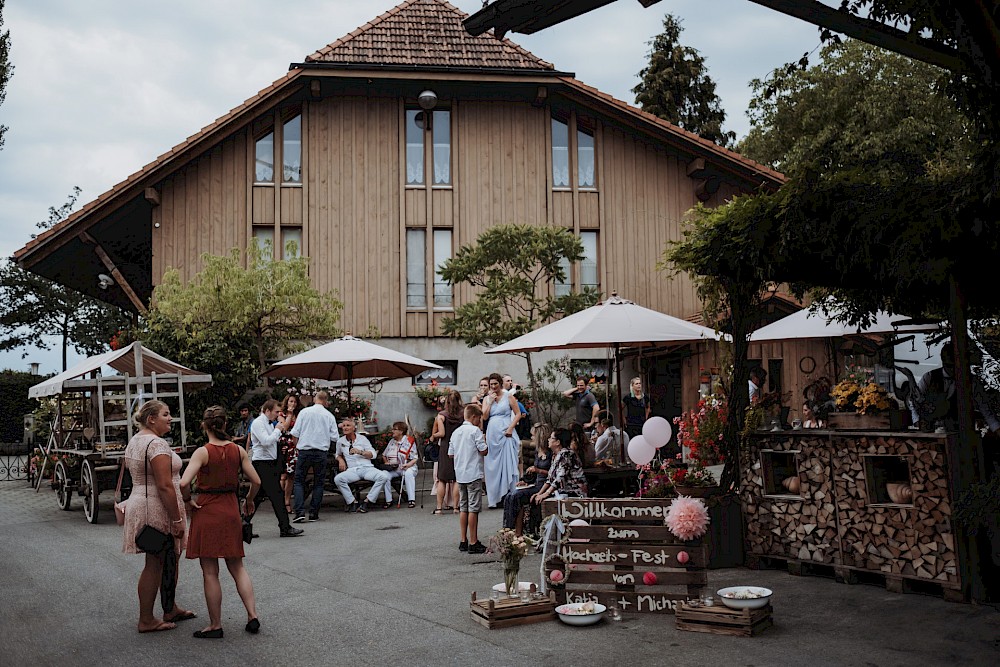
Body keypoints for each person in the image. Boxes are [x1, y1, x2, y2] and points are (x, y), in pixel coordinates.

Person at [180, 406, 262, 639]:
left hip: (207, 509)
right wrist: (248, 500)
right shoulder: (238, 450)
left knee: (210, 572)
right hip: (230, 509)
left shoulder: (202, 452)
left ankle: (215, 624)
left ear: (205, 425)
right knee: (237, 567)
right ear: (225, 425)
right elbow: (255, 480)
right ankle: (252, 615)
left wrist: (188, 501)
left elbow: (184, 483)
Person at [121, 399, 196, 633]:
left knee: (166, 558)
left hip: (141, 502)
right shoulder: (156, 444)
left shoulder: (136, 440)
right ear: (151, 418)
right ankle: (146, 619)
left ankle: (170, 607)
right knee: (155, 562)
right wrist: (176, 519)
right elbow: (164, 485)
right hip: (156, 506)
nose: (170, 418)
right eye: (166, 414)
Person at [249, 399, 302, 538]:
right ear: (267, 411)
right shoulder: (258, 423)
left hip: (270, 462)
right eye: (276, 412)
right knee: (277, 495)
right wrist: (277, 430)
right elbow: (266, 441)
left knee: (258, 496)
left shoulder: (269, 423)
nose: (278, 414)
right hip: (262, 463)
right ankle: (285, 527)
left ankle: (242, 525)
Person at [289, 390, 340, 523]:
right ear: (326, 401)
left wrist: (297, 446)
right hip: (321, 451)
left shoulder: (304, 412)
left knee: (299, 481)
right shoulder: (329, 415)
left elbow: (295, 432)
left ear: (315, 398)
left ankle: (299, 511)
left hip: (304, 450)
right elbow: (335, 437)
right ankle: (313, 513)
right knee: (319, 482)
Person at [449, 403, 488, 554]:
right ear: (473, 417)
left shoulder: (456, 432)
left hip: (460, 473)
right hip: (473, 473)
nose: (479, 421)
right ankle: (474, 541)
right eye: (479, 418)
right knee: (474, 508)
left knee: (463, 507)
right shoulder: (475, 431)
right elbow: (484, 451)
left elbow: (450, 454)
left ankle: (463, 540)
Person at [503, 422, 552, 536]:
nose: (531, 438)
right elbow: (534, 474)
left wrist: (538, 470)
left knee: (517, 496)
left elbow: (553, 474)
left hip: (545, 486)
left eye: (533, 435)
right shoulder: (537, 452)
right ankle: (512, 530)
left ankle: (513, 530)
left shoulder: (550, 454)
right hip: (536, 483)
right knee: (510, 495)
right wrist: (526, 481)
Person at [481, 372, 521, 508]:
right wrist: (490, 401)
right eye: (491, 384)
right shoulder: (487, 399)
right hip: (492, 433)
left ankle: (508, 494)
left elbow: (518, 414)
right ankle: (495, 496)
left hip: (506, 431)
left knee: (508, 462)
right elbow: (484, 417)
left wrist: (510, 428)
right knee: (493, 465)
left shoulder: (508, 396)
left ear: (500, 383)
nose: (493, 387)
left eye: (495, 384)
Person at [333, 418, 391, 513]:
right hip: (352, 470)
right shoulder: (340, 441)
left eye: (348, 425)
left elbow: (373, 454)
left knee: (383, 477)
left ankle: (367, 501)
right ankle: (352, 502)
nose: (345, 428)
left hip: (367, 468)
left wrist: (360, 452)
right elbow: (337, 454)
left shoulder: (362, 439)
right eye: (344, 426)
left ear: (353, 428)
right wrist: (340, 460)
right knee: (338, 479)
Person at [531, 428, 588, 506]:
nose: (548, 440)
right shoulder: (556, 455)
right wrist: (540, 493)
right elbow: (550, 479)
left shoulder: (567, 454)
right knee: (536, 500)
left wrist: (546, 493)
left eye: (551, 438)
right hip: (562, 493)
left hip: (574, 493)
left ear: (558, 442)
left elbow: (560, 478)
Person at [431, 390, 463, 514]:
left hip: (445, 448)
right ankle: (456, 507)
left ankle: (439, 508)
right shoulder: (463, 414)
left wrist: (433, 435)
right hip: (459, 447)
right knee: (456, 479)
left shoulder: (441, 415)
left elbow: (442, 433)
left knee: (442, 479)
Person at [381, 421, 419, 508]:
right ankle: (388, 500)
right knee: (384, 475)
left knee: (408, 473)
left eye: (395, 429)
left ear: (401, 431)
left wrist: (408, 465)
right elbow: (384, 455)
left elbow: (415, 458)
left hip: (407, 467)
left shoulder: (409, 441)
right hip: (394, 468)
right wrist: (386, 462)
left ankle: (411, 500)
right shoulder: (391, 441)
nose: (392, 431)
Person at [277, 394, 300, 513]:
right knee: (283, 475)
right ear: (287, 402)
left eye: (295, 402)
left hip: (294, 446)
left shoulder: (299, 415)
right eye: (291, 401)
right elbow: (285, 428)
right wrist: (289, 416)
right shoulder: (281, 414)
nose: (293, 404)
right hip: (284, 445)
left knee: (291, 475)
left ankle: (287, 500)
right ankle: (280, 501)